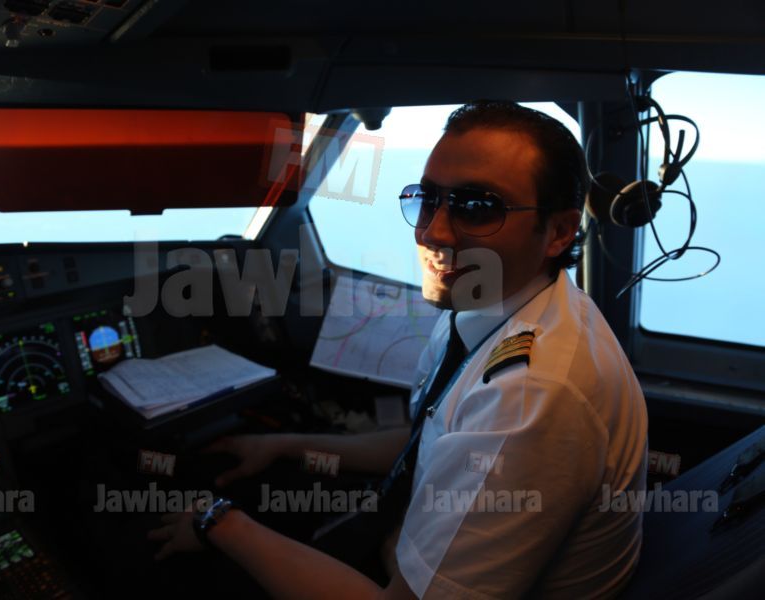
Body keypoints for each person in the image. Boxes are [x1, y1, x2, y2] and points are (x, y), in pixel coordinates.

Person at [147, 101, 648, 599]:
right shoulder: (489, 305)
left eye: (477, 208)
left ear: (559, 232)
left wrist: (219, 522)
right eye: (426, 199)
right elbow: (427, 440)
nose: (432, 231)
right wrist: (285, 445)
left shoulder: (531, 395)